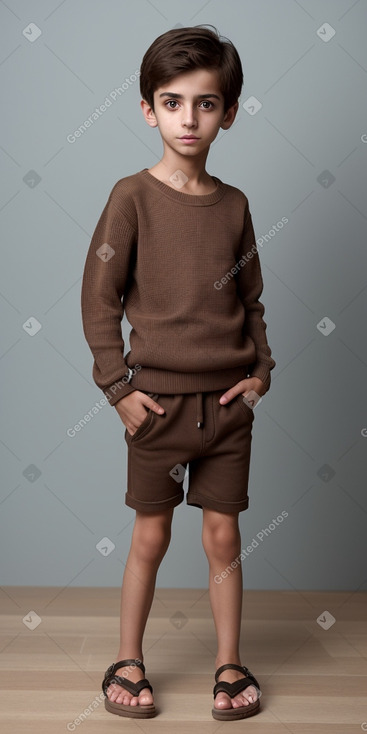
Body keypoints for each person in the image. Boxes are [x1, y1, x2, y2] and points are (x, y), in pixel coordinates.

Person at [81, 24, 276, 721]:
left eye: (204, 103)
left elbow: (251, 301)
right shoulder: (130, 197)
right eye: (171, 102)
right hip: (155, 408)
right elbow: (98, 302)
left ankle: (229, 664)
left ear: (227, 111)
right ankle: (128, 659)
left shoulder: (235, 206)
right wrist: (118, 392)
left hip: (226, 409)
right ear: (146, 109)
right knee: (151, 536)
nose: (187, 119)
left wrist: (260, 375)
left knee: (223, 536)